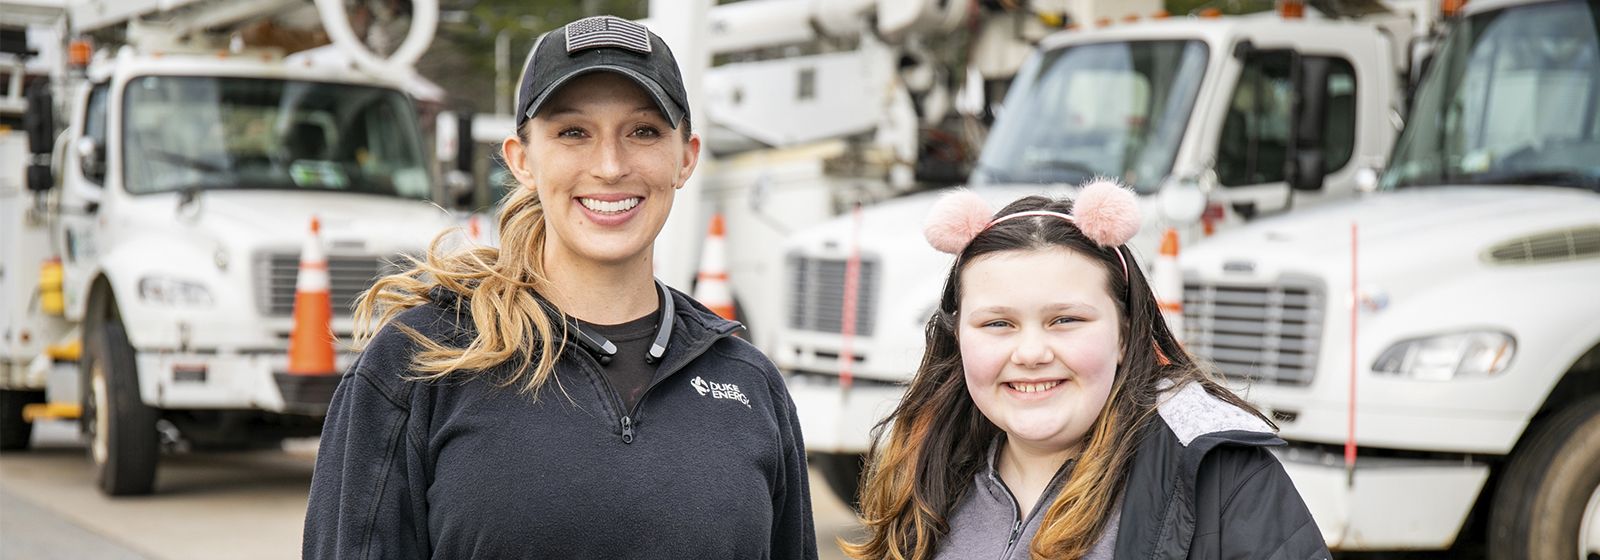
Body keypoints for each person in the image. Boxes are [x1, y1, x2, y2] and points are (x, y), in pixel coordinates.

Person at [303, 15, 817, 559]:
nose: (611, 166)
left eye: (643, 131)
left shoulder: (749, 385)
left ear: (685, 158)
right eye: (573, 133)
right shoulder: (421, 364)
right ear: (522, 160)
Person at [844, 181, 1328, 560]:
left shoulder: (1220, 478)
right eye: (998, 323)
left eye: (1065, 320)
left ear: (1124, 334)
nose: (1030, 352)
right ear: (958, 337)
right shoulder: (921, 474)